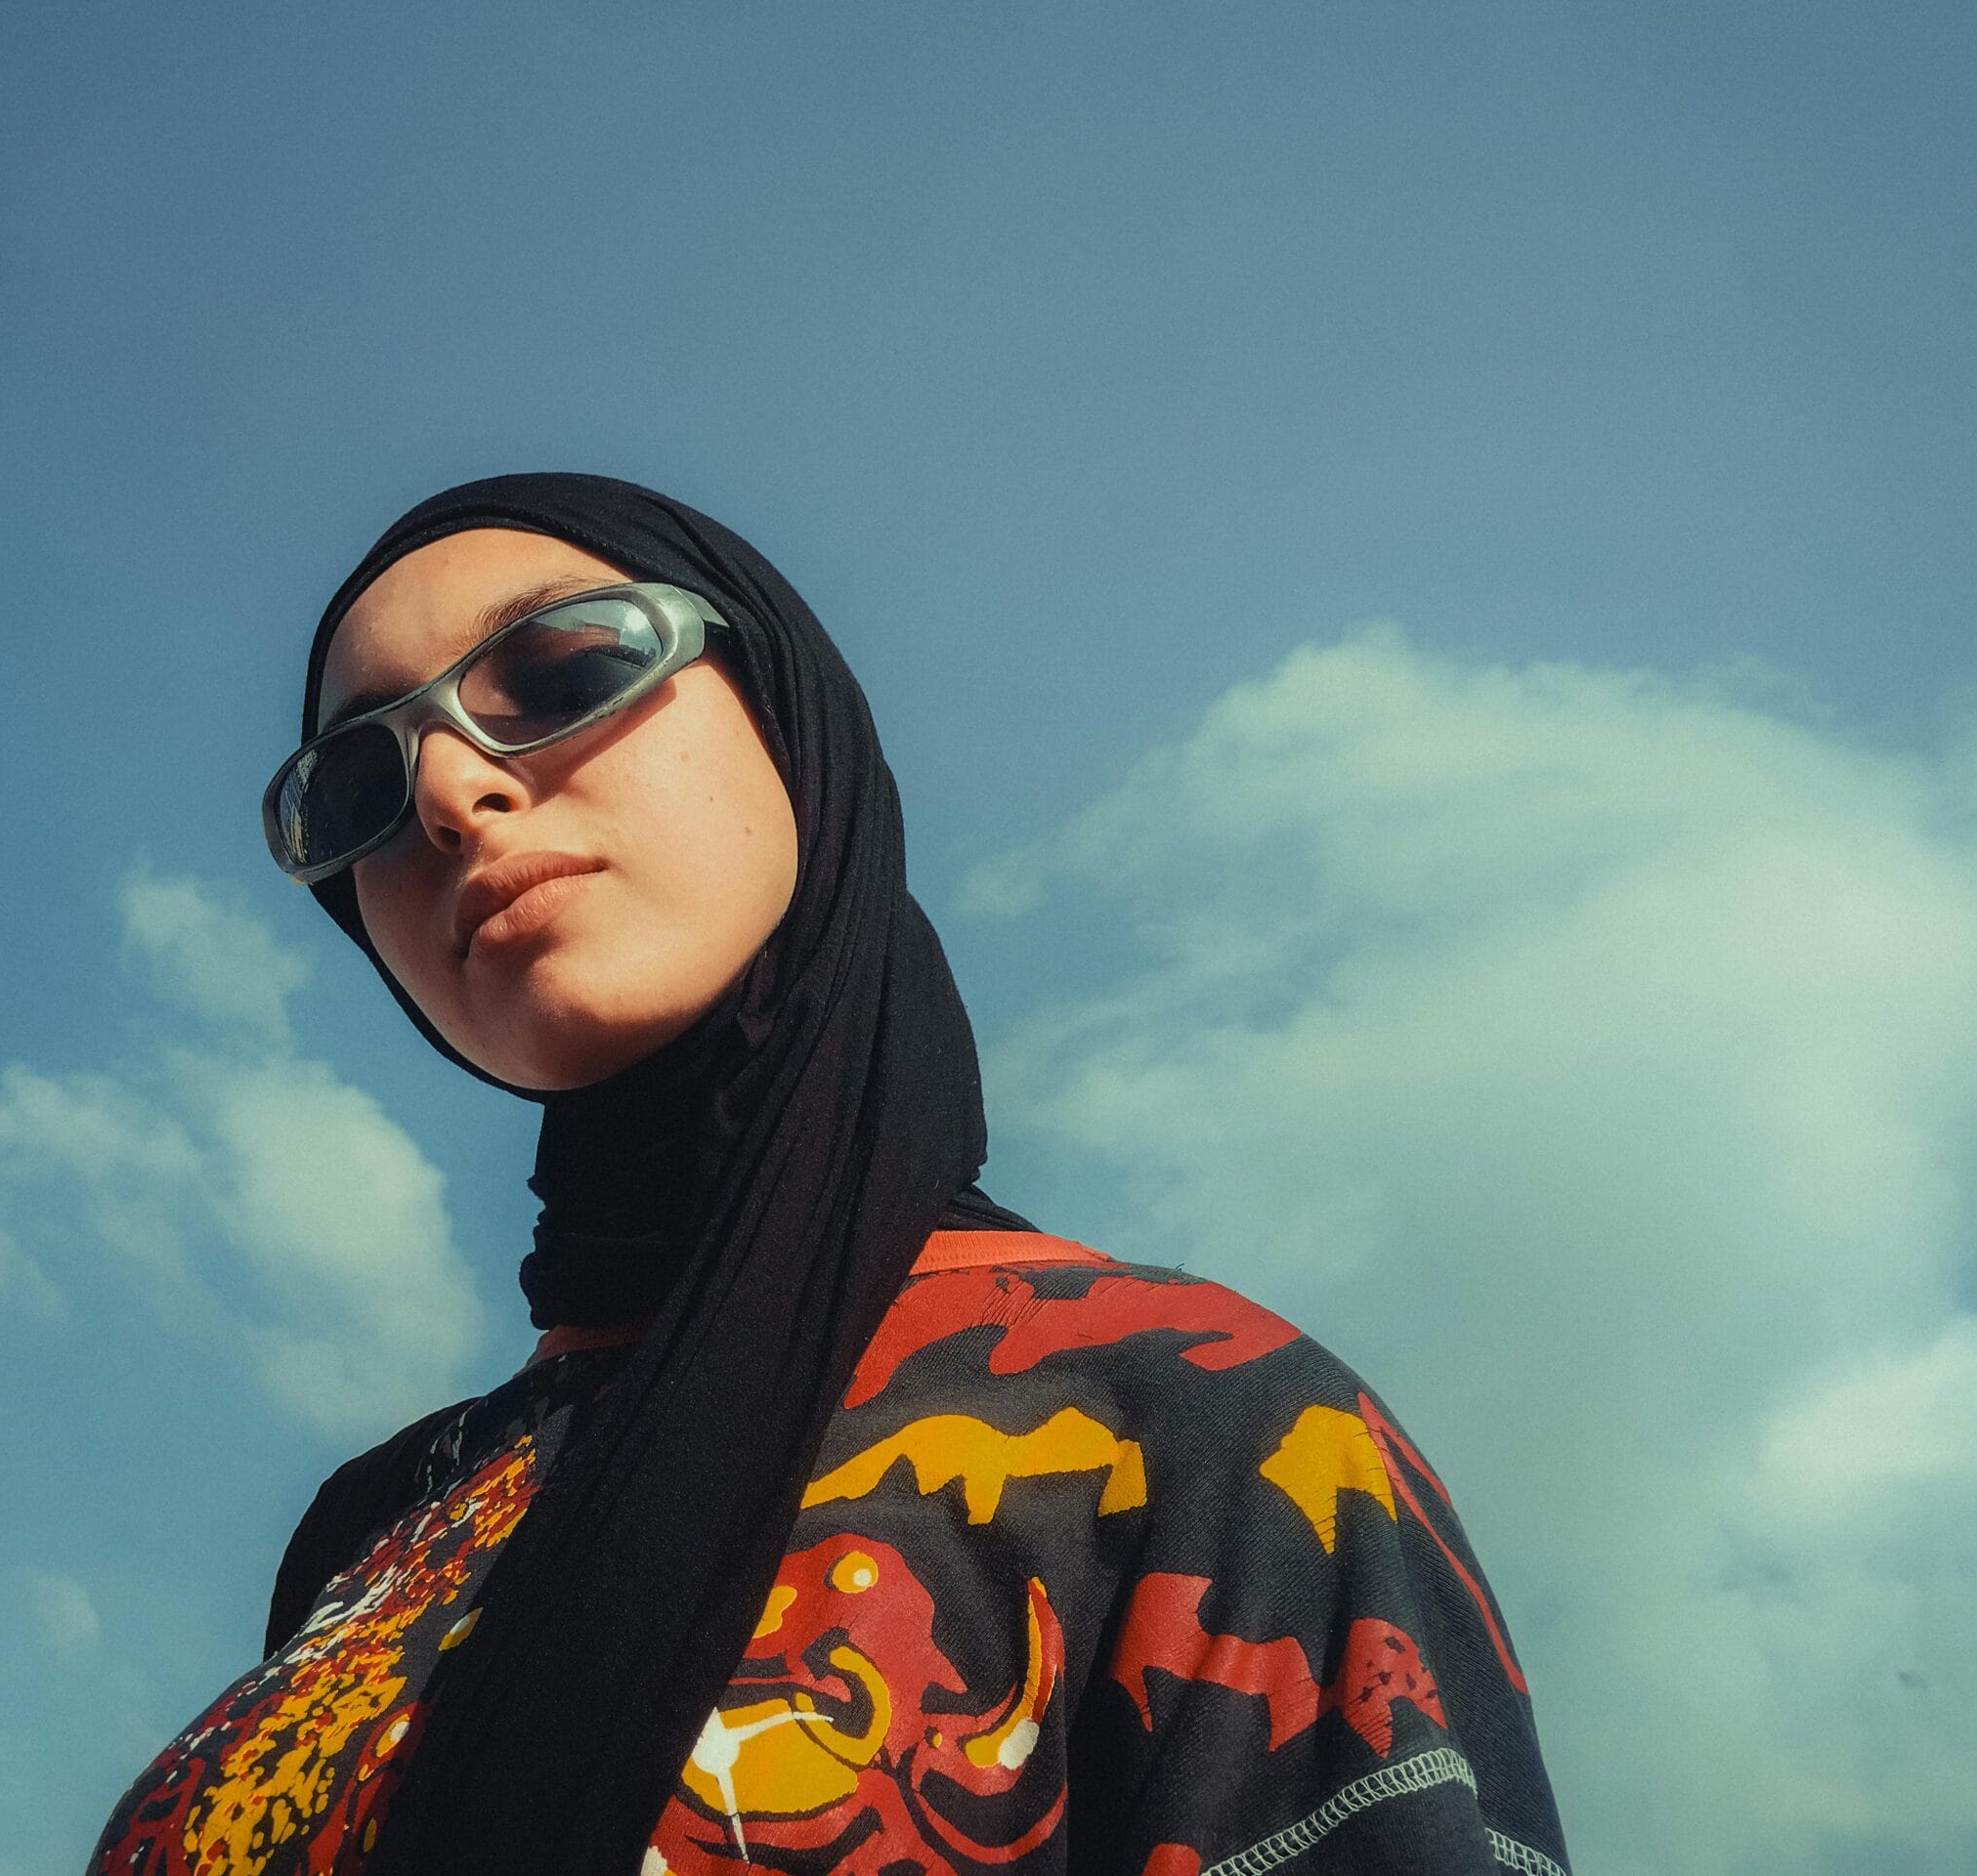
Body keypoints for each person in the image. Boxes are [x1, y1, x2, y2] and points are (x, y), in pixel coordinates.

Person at [85, 476, 1569, 1876]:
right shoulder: (373, 1525)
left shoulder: (1203, 1416)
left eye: (557, 669)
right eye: (358, 783)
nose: (455, 795)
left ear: (785, 710)